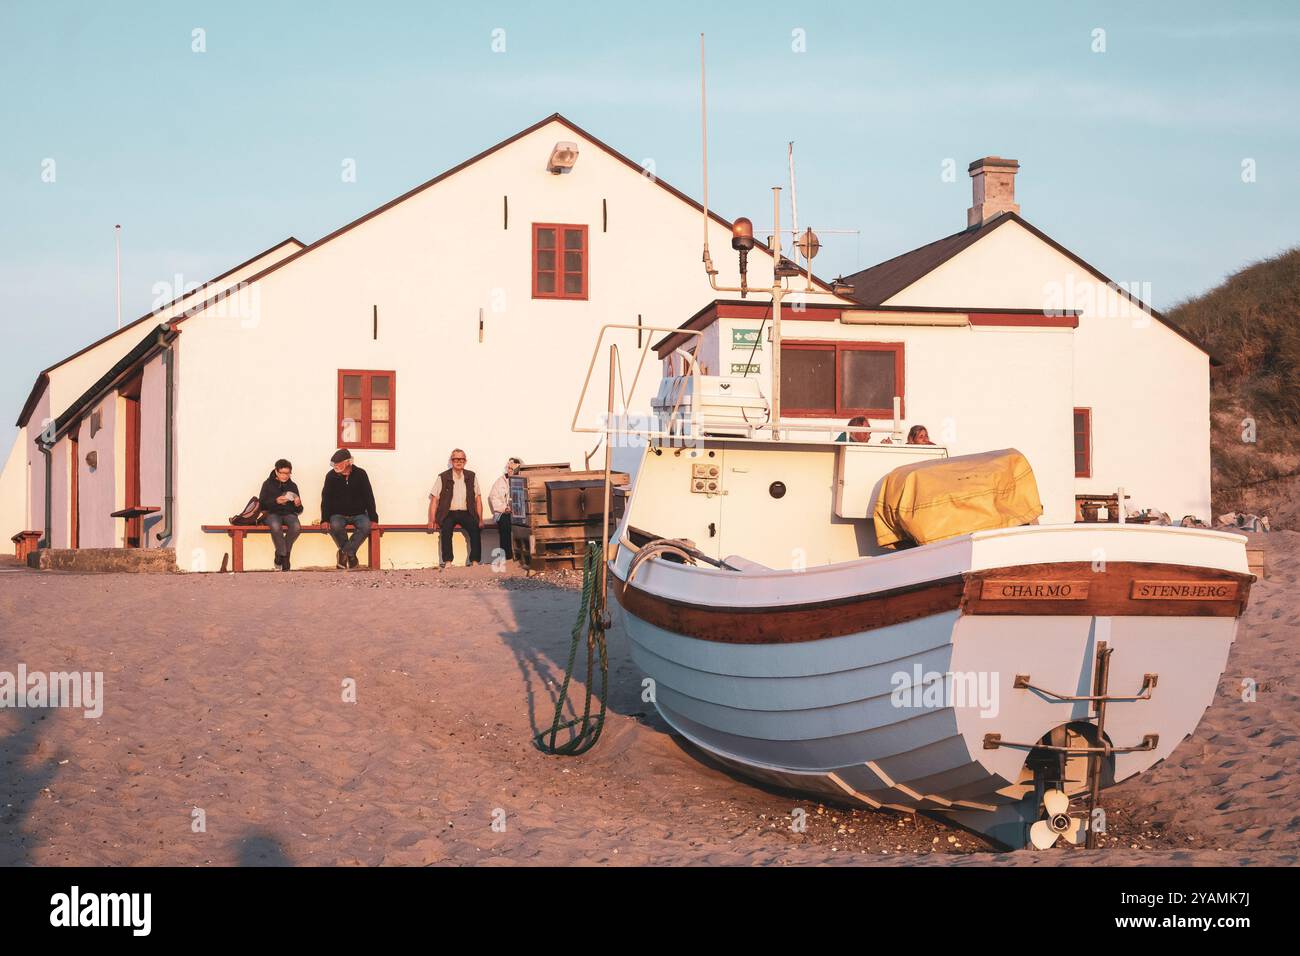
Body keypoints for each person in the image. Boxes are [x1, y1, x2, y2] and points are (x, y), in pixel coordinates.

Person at [320, 448, 378, 570]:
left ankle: (343, 552)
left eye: (338, 463)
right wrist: (324, 519)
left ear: (348, 462)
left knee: (366, 526)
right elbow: (326, 499)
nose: (335, 466)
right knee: (335, 525)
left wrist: (373, 518)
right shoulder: (330, 476)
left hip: (359, 513)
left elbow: (369, 496)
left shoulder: (361, 474)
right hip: (338, 514)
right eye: (334, 464)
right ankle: (351, 555)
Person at [428, 448, 483, 568]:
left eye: (462, 459)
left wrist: (480, 519)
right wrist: (431, 520)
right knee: (446, 530)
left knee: (475, 529)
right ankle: (448, 561)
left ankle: (475, 561)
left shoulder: (471, 476)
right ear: (451, 461)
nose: (459, 461)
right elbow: (434, 499)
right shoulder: (443, 477)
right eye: (456, 459)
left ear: (465, 461)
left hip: (466, 512)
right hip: (448, 513)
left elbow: (478, 498)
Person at [259, 459, 303, 571]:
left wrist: (298, 504)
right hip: (272, 513)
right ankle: (285, 557)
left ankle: (280, 554)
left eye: (287, 473)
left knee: (296, 527)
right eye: (282, 473)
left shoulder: (292, 485)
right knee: (275, 525)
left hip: (289, 514)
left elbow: (299, 510)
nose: (285, 476)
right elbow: (262, 504)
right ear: (276, 471)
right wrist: (275, 501)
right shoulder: (267, 484)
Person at [488, 457, 522, 561]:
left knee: (524, 527)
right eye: (509, 468)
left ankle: (522, 556)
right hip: (504, 512)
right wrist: (505, 508)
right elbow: (493, 497)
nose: (510, 470)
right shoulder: (500, 481)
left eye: (513, 468)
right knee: (505, 524)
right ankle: (507, 556)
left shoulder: (523, 479)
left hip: (520, 512)